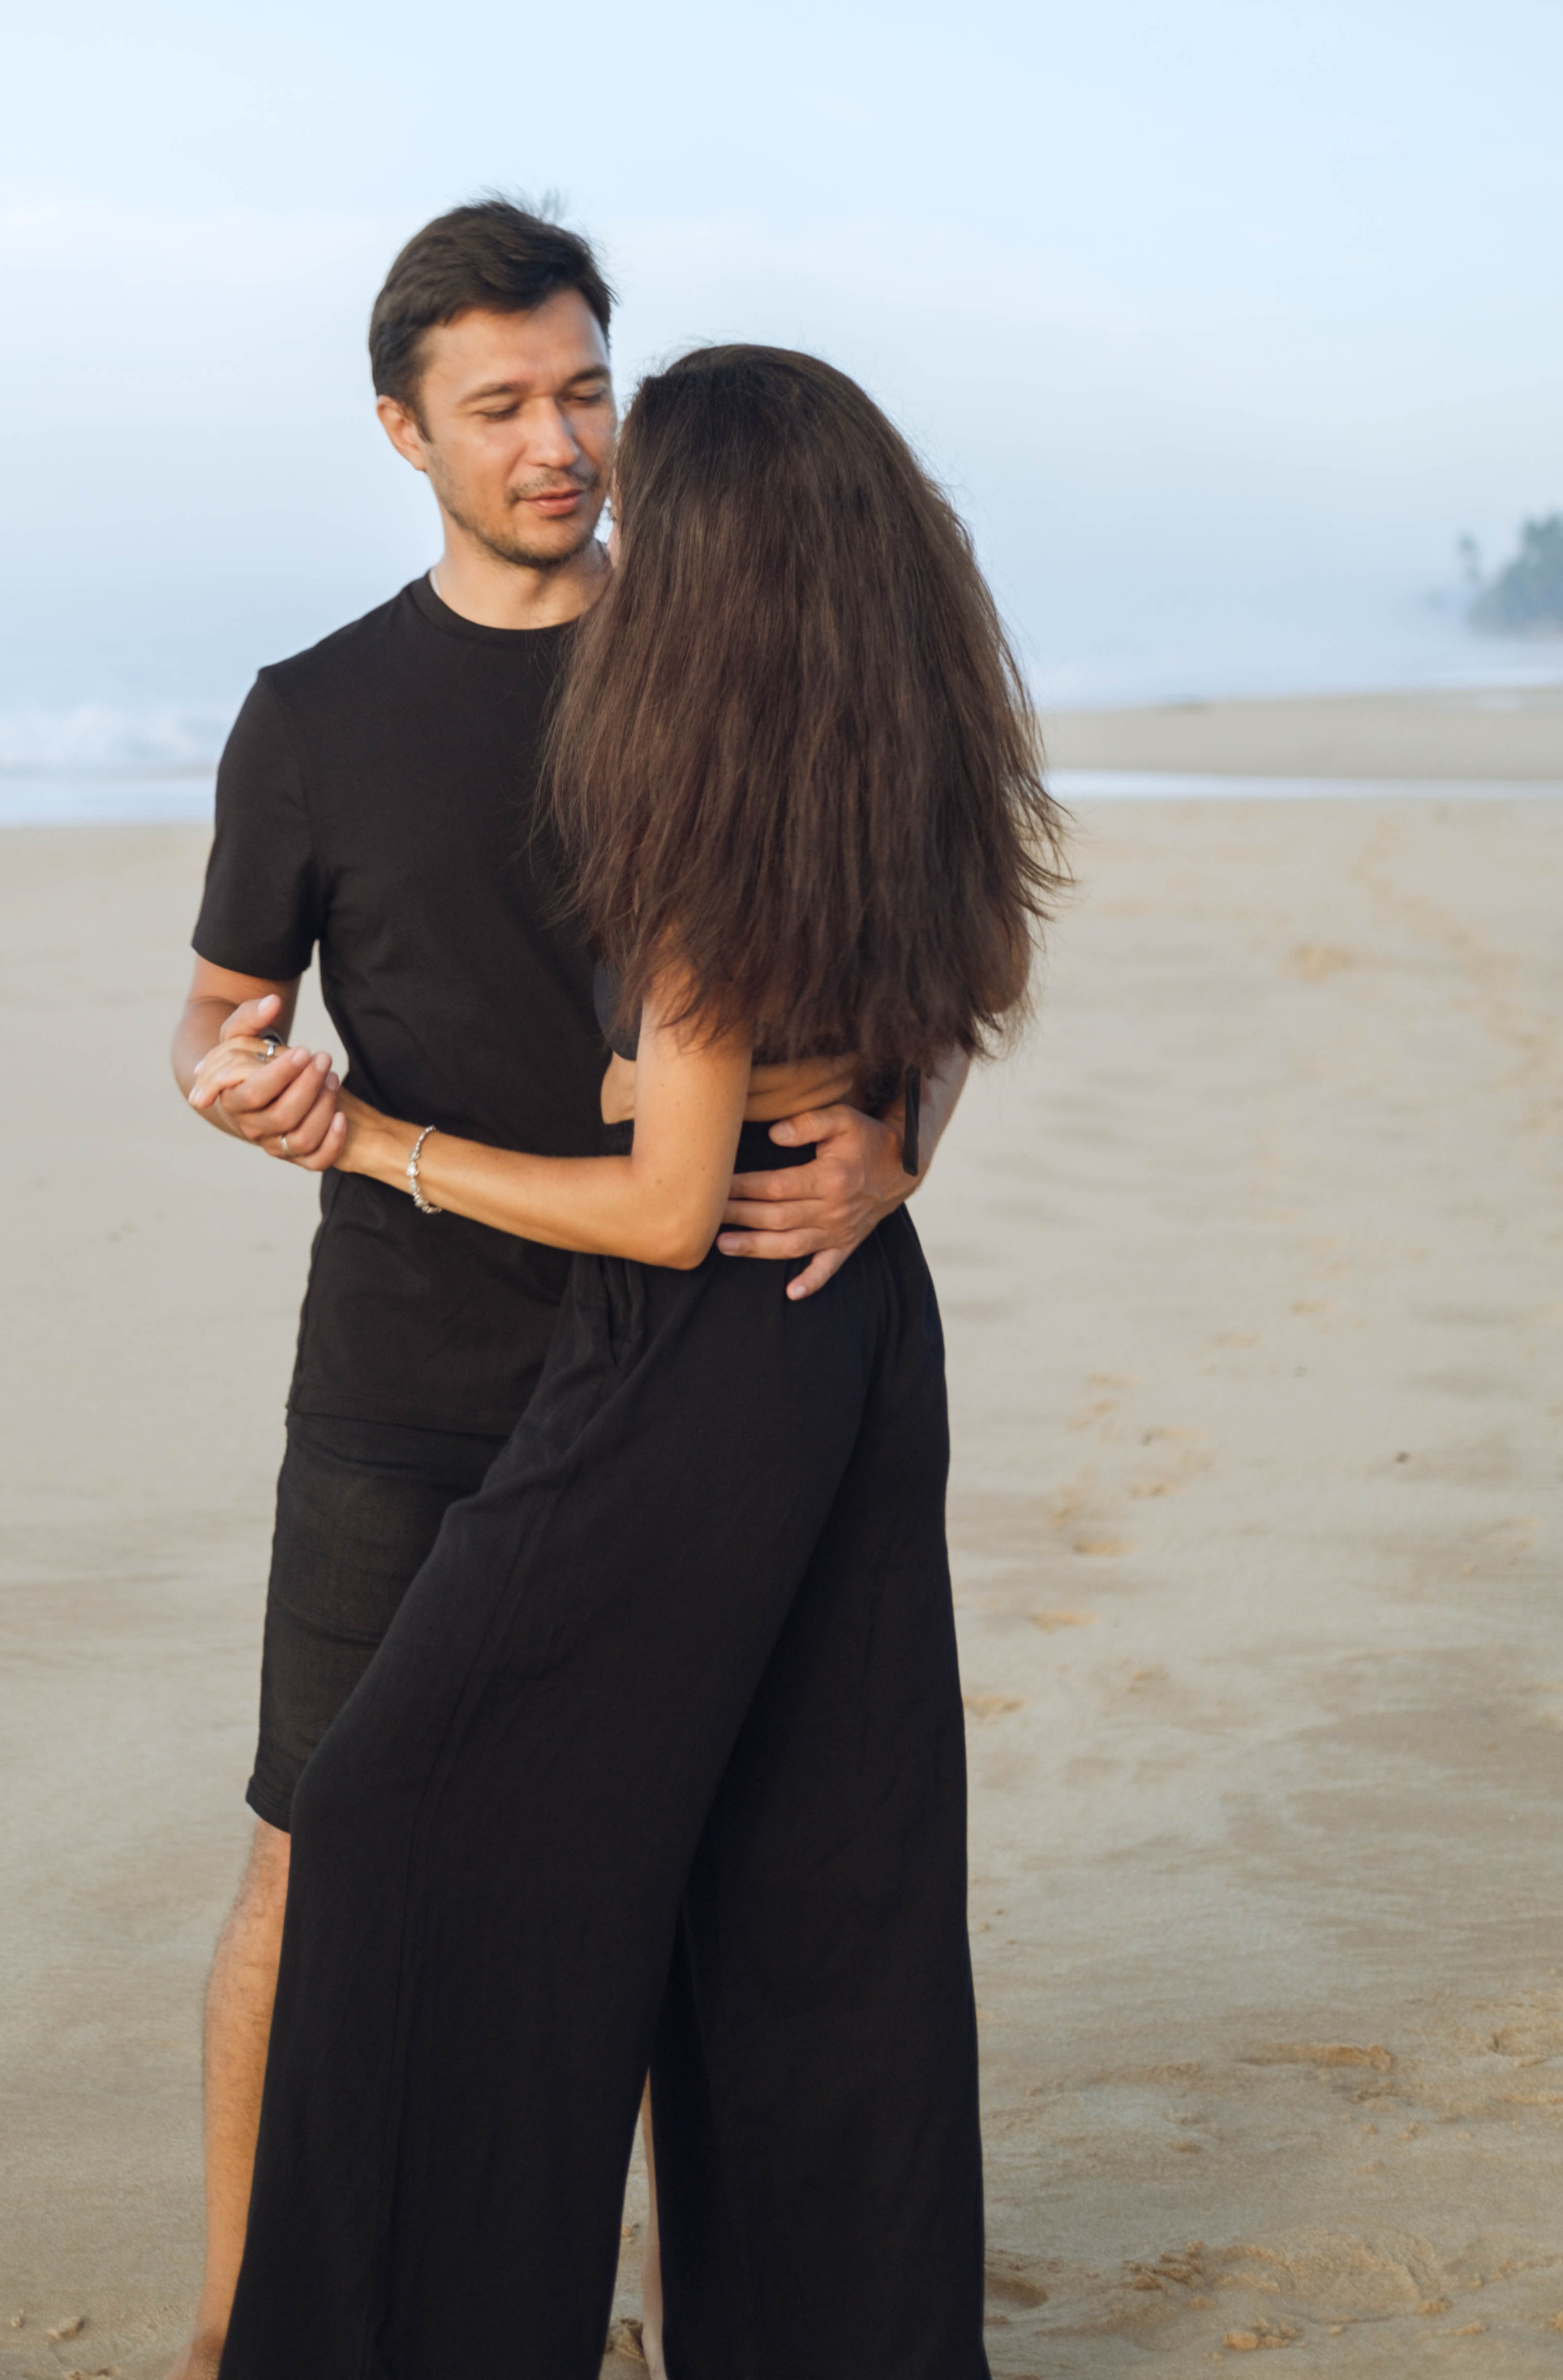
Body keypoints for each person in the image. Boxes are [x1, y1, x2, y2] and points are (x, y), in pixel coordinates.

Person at [214, 344, 1063, 2380]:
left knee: (405, 1825)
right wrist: (876, 1131)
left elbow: (664, 1206)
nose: (594, 479)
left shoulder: (701, 789)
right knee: (814, 1891)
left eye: (615, 442)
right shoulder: (902, 739)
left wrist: (378, 1143)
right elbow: (963, 989)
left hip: (688, 1364)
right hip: (853, 1344)